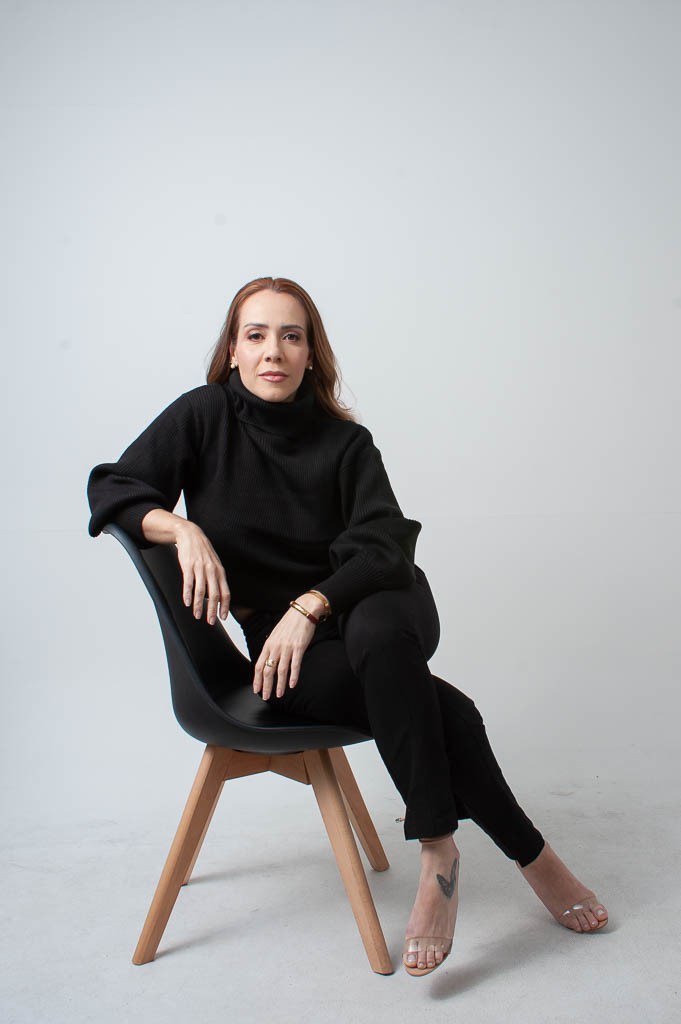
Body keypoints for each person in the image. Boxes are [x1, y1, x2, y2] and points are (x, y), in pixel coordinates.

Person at [87, 276, 608, 976]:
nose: (273, 351)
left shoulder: (345, 443)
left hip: (378, 602)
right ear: (233, 350)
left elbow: (384, 547)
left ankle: (435, 848)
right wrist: (182, 529)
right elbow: (113, 486)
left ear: (312, 354)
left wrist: (310, 606)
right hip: (286, 655)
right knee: (444, 710)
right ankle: (533, 859)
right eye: (256, 335)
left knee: (379, 635)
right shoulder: (202, 417)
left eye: (291, 336)